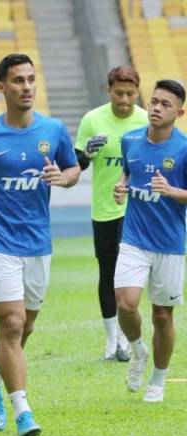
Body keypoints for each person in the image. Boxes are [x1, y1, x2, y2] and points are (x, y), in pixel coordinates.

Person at [0, 54, 80, 436]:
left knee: (26, 328)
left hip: (38, 243)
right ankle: (23, 411)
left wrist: (63, 177)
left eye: (30, 79)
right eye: (18, 81)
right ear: (2, 88)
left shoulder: (54, 130)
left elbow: (73, 170)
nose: (26, 87)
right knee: (11, 324)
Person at [113, 79, 187, 403]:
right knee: (125, 304)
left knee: (162, 316)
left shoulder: (184, 149)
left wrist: (171, 191)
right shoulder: (129, 140)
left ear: (180, 112)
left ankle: (158, 379)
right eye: (154, 101)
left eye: (165, 104)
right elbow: (128, 173)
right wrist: (120, 185)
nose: (155, 108)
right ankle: (138, 351)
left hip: (170, 243)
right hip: (134, 238)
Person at [75, 66, 148, 361]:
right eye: (119, 93)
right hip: (105, 211)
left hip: (138, 212)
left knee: (132, 277)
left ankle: (129, 338)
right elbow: (77, 164)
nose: (125, 99)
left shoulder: (145, 120)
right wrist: (88, 153)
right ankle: (111, 340)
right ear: (109, 91)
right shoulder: (92, 120)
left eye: (131, 94)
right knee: (108, 274)